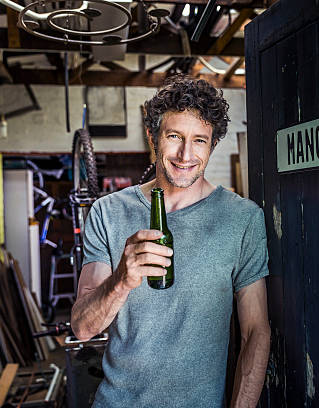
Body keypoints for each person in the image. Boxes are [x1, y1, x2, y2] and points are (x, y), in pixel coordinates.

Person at [70, 75, 271, 408]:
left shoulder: (242, 219)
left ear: (213, 144)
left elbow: (255, 332)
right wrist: (122, 279)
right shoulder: (107, 212)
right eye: (174, 136)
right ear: (153, 137)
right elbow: (82, 328)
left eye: (200, 141)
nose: (185, 154)